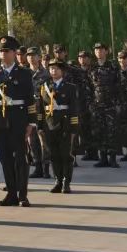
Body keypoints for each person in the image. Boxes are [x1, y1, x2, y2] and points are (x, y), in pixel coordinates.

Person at [0, 35, 37, 206]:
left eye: (6, 51)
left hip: (19, 120)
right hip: (1, 121)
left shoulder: (24, 73)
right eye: (0, 51)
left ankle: (22, 194)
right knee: (5, 158)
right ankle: (11, 193)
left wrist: (31, 123)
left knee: (21, 158)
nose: (3, 54)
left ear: (13, 53)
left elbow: (30, 99)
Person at [39, 58, 81, 193]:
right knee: (54, 154)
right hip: (49, 124)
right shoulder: (44, 87)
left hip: (65, 124)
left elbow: (74, 109)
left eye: (56, 68)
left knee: (66, 155)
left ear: (62, 71)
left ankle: (66, 182)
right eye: (51, 68)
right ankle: (57, 181)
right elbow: (41, 108)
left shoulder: (70, 87)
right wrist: (40, 126)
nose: (53, 71)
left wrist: (74, 128)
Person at [87, 42, 121, 168]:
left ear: (106, 51)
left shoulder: (113, 66)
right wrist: (90, 103)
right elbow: (88, 87)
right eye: (96, 50)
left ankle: (112, 158)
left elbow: (119, 85)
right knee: (99, 131)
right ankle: (103, 158)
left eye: (101, 50)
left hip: (110, 104)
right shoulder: (92, 67)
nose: (99, 52)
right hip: (97, 105)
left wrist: (118, 103)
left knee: (111, 131)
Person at [26, 46, 50, 179]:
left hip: (42, 112)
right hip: (29, 111)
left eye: (34, 55)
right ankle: (38, 167)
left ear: (39, 57)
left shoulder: (46, 74)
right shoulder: (24, 73)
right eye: (29, 55)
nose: (31, 58)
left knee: (43, 139)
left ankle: (46, 168)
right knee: (32, 140)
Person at [75, 49, 97, 161]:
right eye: (80, 57)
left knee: (94, 128)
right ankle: (88, 151)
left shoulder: (94, 70)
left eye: (85, 57)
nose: (82, 60)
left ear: (89, 59)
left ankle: (95, 152)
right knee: (84, 128)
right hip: (81, 104)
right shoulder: (76, 72)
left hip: (94, 103)